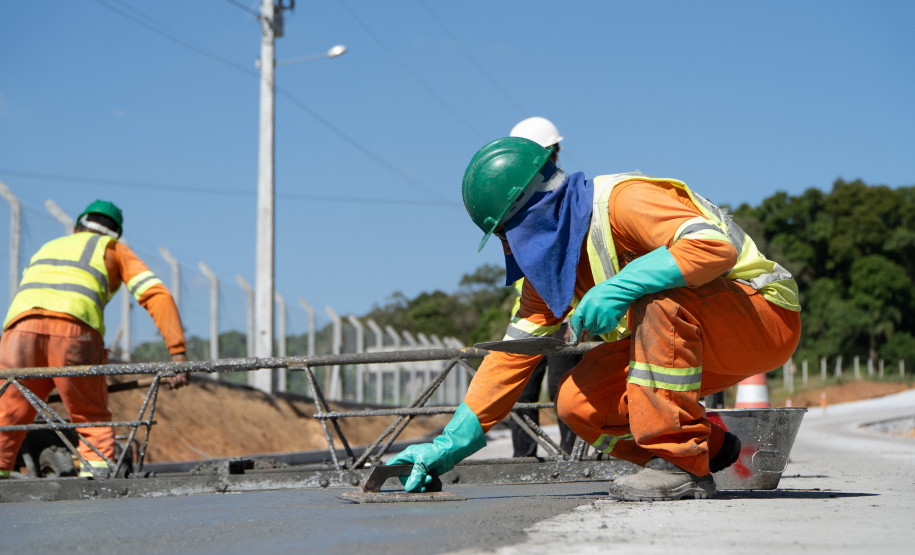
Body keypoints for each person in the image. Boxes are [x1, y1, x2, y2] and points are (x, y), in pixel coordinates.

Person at [389, 138, 801, 501]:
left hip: (761, 318)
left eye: (506, 231)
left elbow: (713, 248)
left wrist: (619, 287)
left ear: (533, 207)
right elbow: (512, 355)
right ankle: (709, 451)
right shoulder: (553, 270)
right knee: (579, 403)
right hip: (693, 341)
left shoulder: (624, 200)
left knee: (658, 298)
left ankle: (679, 465)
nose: (509, 245)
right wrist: (449, 444)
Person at [0, 200, 188, 479]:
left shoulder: (49, 247)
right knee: (89, 413)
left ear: (77, 227)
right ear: (116, 234)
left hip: (18, 332)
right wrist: (178, 353)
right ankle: (97, 480)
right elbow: (156, 294)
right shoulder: (113, 249)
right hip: (74, 333)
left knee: (9, 414)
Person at [506, 117, 579, 458]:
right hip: (532, 311)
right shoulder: (515, 198)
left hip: (566, 310)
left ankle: (571, 452)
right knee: (523, 388)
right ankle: (524, 456)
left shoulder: (561, 195)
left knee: (563, 387)